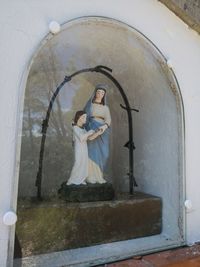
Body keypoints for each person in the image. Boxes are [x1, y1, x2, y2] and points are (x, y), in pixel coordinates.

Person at [84, 84, 111, 184]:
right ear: (95, 93)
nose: (100, 94)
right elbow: (84, 118)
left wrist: (104, 127)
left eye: (103, 93)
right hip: (91, 129)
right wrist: (89, 130)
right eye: (99, 92)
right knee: (92, 153)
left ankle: (99, 176)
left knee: (105, 154)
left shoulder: (106, 108)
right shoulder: (89, 105)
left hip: (103, 131)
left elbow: (108, 119)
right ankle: (91, 176)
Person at [67, 111, 102, 185]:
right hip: (79, 149)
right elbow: (81, 138)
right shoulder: (75, 128)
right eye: (84, 117)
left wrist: (97, 133)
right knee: (78, 163)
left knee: (84, 164)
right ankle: (72, 180)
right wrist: (89, 132)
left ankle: (80, 179)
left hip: (84, 149)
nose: (86, 119)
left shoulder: (83, 129)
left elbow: (89, 138)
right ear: (80, 118)